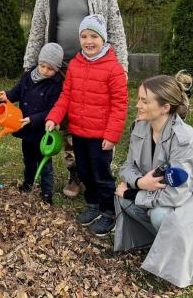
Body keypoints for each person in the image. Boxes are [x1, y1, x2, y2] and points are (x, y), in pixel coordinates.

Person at [23, 0, 128, 198]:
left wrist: (121, 68)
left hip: (95, 66)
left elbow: (115, 28)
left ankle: (99, 171)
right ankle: (75, 173)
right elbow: (38, 28)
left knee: (95, 120)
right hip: (58, 68)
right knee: (65, 122)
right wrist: (29, 69)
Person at [113, 72, 193, 288]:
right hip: (177, 193)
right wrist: (139, 183)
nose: (138, 105)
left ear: (165, 108)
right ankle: (164, 243)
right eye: (139, 99)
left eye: (145, 101)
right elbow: (127, 167)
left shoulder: (185, 140)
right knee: (126, 198)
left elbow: (175, 195)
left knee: (160, 213)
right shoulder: (140, 127)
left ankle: (182, 250)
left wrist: (133, 193)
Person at [46, 15, 128, 236]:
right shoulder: (75, 65)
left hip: (100, 136)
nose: (89, 41)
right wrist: (54, 117)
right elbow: (66, 95)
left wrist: (112, 136)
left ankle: (109, 211)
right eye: (84, 36)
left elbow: (120, 105)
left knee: (101, 173)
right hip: (78, 131)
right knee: (84, 170)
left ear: (103, 39)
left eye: (94, 36)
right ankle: (93, 204)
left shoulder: (113, 69)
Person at [0, 43, 64, 204]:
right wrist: (7, 97)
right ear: (38, 63)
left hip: (42, 130)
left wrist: (34, 119)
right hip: (26, 129)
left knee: (45, 162)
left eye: (50, 68)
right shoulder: (28, 76)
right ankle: (28, 183)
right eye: (43, 66)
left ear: (57, 69)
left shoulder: (56, 84)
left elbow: (53, 110)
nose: (45, 71)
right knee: (28, 159)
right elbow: (17, 92)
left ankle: (47, 193)